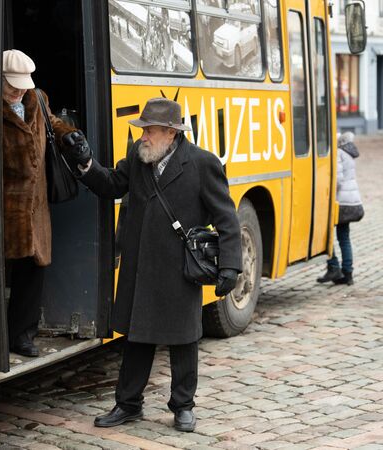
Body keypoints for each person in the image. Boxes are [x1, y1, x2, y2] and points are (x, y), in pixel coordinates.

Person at [62, 97, 242, 432]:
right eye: (143, 130)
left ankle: (183, 405)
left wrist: (230, 266)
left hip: (179, 269)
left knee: (184, 340)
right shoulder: (138, 157)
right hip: (141, 267)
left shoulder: (203, 164)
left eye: (151, 131)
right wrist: (86, 163)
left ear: (171, 134)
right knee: (137, 338)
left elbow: (227, 218)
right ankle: (128, 404)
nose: (143, 136)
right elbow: (113, 184)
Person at [2, 49, 80, 357]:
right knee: (1, 268)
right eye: (12, 85)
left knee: (32, 270)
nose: (18, 91)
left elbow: (53, 124)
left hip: (34, 204)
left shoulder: (37, 98)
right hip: (5, 202)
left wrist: (69, 136)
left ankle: (23, 335)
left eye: (22, 84)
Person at [317, 131, 364, 286]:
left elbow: (337, 179)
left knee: (326, 234)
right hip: (351, 201)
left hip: (340, 201)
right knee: (344, 237)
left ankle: (334, 266)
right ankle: (348, 274)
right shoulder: (349, 152)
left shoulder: (338, 153)